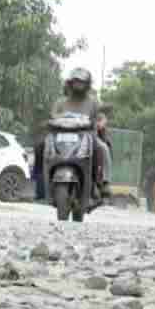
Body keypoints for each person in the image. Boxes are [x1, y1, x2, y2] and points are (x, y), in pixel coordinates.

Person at [37, 67, 110, 210]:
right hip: (60, 137)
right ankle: (40, 183)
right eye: (76, 82)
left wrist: (100, 123)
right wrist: (47, 122)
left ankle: (103, 183)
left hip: (86, 137)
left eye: (81, 83)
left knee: (103, 148)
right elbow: (52, 117)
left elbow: (101, 118)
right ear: (70, 83)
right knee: (40, 146)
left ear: (87, 84)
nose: (78, 85)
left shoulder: (93, 103)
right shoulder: (60, 102)